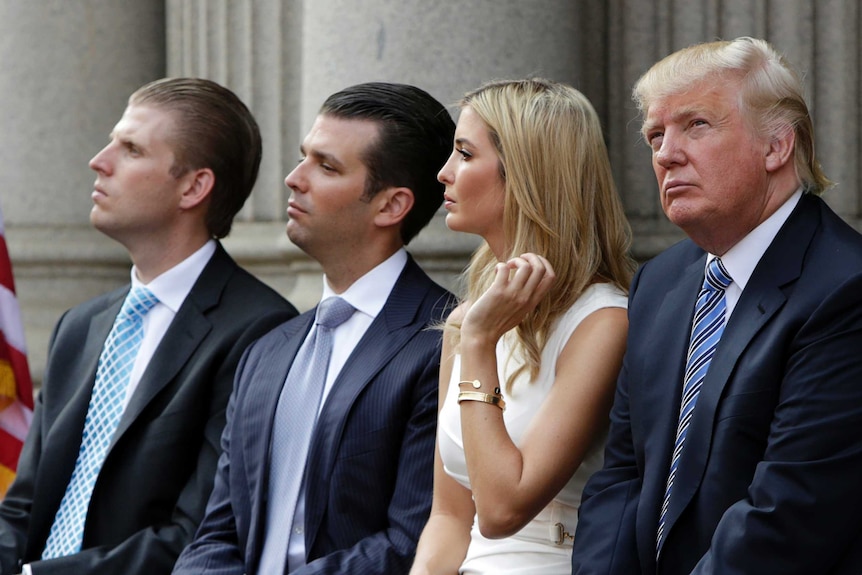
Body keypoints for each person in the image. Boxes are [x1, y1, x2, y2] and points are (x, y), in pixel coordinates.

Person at [570, 37, 862, 575]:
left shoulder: (846, 288)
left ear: (776, 146)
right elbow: (621, 477)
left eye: (696, 125)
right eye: (656, 135)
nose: (665, 153)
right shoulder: (658, 282)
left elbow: (791, 511)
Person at [0, 77, 298, 575]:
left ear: (194, 187)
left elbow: (201, 535)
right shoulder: (80, 325)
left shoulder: (261, 330)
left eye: (131, 149)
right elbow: (23, 508)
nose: (100, 160)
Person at [172, 81, 456, 575]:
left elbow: (414, 538)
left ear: (392, 205)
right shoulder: (267, 350)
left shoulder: (444, 341)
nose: (293, 178)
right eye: (304, 157)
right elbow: (217, 530)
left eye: (326, 166)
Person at [409, 78, 634, 575]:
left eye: (465, 155)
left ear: (527, 175)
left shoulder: (603, 320)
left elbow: (500, 509)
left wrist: (482, 343)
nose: (444, 173)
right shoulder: (469, 320)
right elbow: (449, 517)